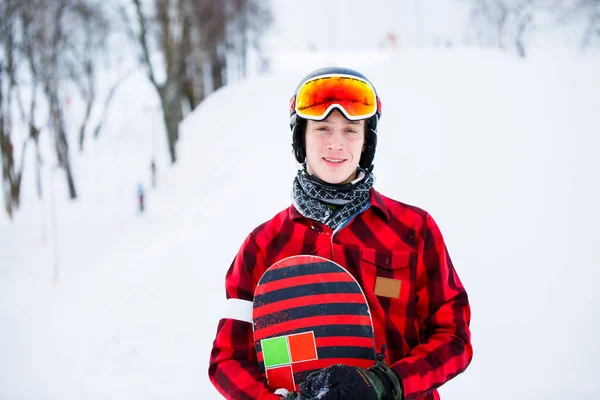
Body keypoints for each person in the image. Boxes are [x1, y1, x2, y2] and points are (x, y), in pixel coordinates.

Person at [208, 67, 473, 400]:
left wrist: (389, 383)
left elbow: (453, 337)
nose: (336, 143)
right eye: (322, 129)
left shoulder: (413, 229)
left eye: (350, 130)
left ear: (366, 142)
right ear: (301, 138)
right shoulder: (262, 246)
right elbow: (227, 358)